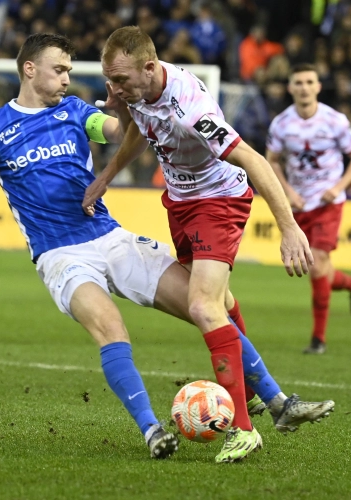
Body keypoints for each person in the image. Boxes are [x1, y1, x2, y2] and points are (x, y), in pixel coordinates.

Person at [0, 33, 334, 464]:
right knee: (116, 328)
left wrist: (118, 114)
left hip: (113, 237)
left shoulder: (77, 112)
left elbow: (118, 129)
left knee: (204, 305)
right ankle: (153, 430)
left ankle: (272, 401)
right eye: (60, 70)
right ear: (30, 69)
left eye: (70, 72)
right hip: (60, 256)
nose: (67, 79)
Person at [82, 27, 324, 463]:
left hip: (219, 201)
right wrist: (107, 176)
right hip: (180, 204)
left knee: (201, 306)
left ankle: (243, 430)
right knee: (221, 303)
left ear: (151, 68)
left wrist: (289, 228)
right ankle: (271, 399)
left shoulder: (189, 107)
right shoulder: (136, 89)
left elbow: (253, 159)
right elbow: (138, 125)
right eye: (109, 80)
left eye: (120, 80)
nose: (113, 90)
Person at [265, 63, 351, 355]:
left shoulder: (334, 120)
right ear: (290, 88)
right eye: (298, 82)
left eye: (310, 82)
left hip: (328, 203)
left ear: (319, 87)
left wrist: (338, 187)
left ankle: (318, 339)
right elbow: (270, 160)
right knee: (318, 268)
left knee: (318, 261)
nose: (304, 87)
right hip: (299, 205)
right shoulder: (281, 124)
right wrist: (289, 192)